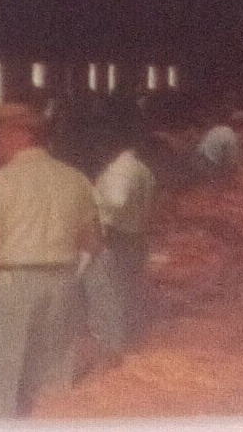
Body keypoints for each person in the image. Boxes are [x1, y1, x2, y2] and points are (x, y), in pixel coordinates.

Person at [0, 103, 101, 418]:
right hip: (63, 285)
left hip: (11, 287)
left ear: (19, 135)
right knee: (52, 387)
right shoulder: (75, 179)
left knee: (0, 382)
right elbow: (93, 242)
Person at [82, 137, 157, 364]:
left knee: (107, 295)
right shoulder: (141, 168)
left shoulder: (120, 169)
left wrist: (102, 223)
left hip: (116, 239)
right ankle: (127, 343)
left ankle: (111, 348)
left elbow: (115, 202)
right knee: (126, 293)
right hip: (135, 238)